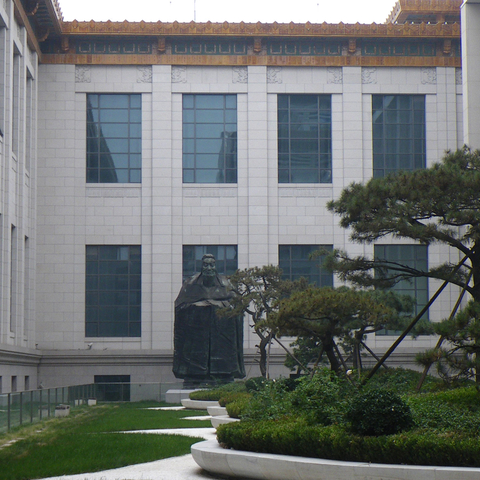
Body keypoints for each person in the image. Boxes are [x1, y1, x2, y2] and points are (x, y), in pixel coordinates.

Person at [173, 254, 245, 386]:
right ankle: (195, 378)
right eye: (206, 265)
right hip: (197, 334)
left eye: (212, 265)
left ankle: (223, 377)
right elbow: (179, 306)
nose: (209, 268)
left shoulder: (226, 284)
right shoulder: (190, 284)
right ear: (201, 267)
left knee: (222, 360)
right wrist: (197, 307)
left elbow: (237, 305)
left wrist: (219, 306)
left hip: (221, 334)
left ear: (215, 267)